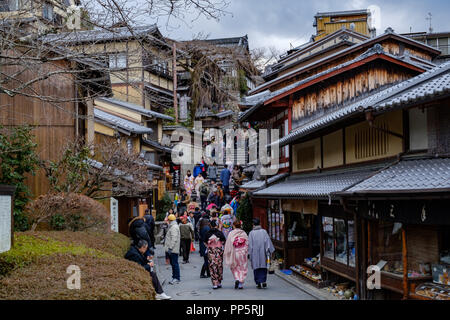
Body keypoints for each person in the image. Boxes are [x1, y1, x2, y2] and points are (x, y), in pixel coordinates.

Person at [248, 218, 275, 289]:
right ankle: (263, 281)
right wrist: (269, 251)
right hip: (263, 252)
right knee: (263, 267)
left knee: (256, 267)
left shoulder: (251, 233)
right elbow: (268, 243)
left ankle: (258, 283)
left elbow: (250, 245)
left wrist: (249, 254)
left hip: (255, 253)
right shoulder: (264, 232)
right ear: (259, 223)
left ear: (253, 224)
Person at [224, 220, 249, 289]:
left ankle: (237, 278)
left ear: (234, 226)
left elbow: (228, 243)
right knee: (243, 267)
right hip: (242, 253)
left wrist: (228, 252)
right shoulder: (243, 233)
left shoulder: (231, 233)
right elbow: (247, 243)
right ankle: (241, 282)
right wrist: (245, 250)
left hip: (234, 252)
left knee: (234, 266)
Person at [204, 220, 226, 289]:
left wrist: (209, 245)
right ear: (216, 225)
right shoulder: (219, 233)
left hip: (211, 251)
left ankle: (214, 283)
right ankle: (219, 282)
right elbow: (223, 241)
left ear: (210, 225)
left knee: (212, 266)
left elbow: (204, 242)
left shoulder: (208, 233)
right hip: (218, 250)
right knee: (219, 266)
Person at [164, 214, 181, 285]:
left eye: (168, 220)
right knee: (174, 263)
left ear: (170, 220)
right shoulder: (173, 226)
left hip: (173, 249)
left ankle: (176, 278)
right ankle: (175, 277)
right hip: (173, 249)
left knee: (174, 264)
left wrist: (170, 248)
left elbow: (174, 239)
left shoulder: (173, 227)